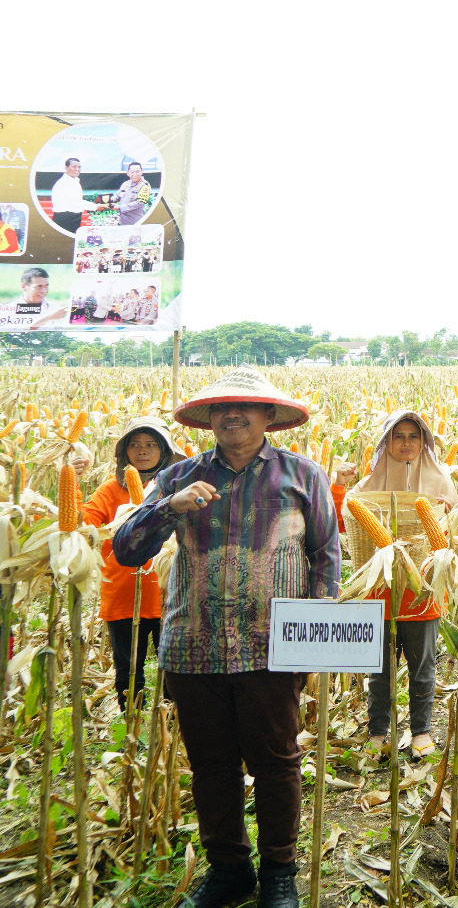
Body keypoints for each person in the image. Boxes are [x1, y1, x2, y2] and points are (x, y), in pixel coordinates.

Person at [113, 366, 338, 908]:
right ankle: (229, 869)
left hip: (273, 642)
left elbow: (326, 556)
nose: (232, 414)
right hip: (195, 642)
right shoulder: (177, 478)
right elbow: (126, 550)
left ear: (268, 416)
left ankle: (279, 871)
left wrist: (320, 630)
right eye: (220, 407)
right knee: (211, 763)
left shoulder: (302, 475)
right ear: (208, 418)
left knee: (277, 758)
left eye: (245, 406)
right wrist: (169, 507)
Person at [333, 411, 458, 758]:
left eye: (413, 437)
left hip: (423, 592)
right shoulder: (369, 483)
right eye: (398, 436)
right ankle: (378, 733)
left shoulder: (442, 484)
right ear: (386, 442)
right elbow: (342, 523)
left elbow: (456, 536)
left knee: (422, 666)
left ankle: (420, 732)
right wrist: (340, 484)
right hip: (381, 591)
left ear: (424, 442)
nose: (406, 443)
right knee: (381, 669)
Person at [85, 417, 178, 711]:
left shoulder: (176, 487)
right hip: (124, 593)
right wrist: (73, 482)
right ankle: (131, 727)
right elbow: (84, 524)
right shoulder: (110, 490)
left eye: (151, 444)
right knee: (128, 668)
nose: (142, 451)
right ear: (124, 451)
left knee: (173, 670)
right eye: (134, 444)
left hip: (167, 594)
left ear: (164, 450)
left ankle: (171, 727)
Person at [0, 267, 67, 329]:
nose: (44, 291)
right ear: (23, 286)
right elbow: (18, 337)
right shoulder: (9, 311)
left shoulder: (54, 309)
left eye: (46, 286)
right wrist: (47, 318)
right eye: (39, 286)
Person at [50, 158, 86, 234]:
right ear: (66, 167)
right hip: (65, 218)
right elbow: (76, 202)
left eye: (79, 167)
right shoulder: (65, 182)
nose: (77, 169)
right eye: (74, 166)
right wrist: (96, 207)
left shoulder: (74, 181)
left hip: (73, 218)